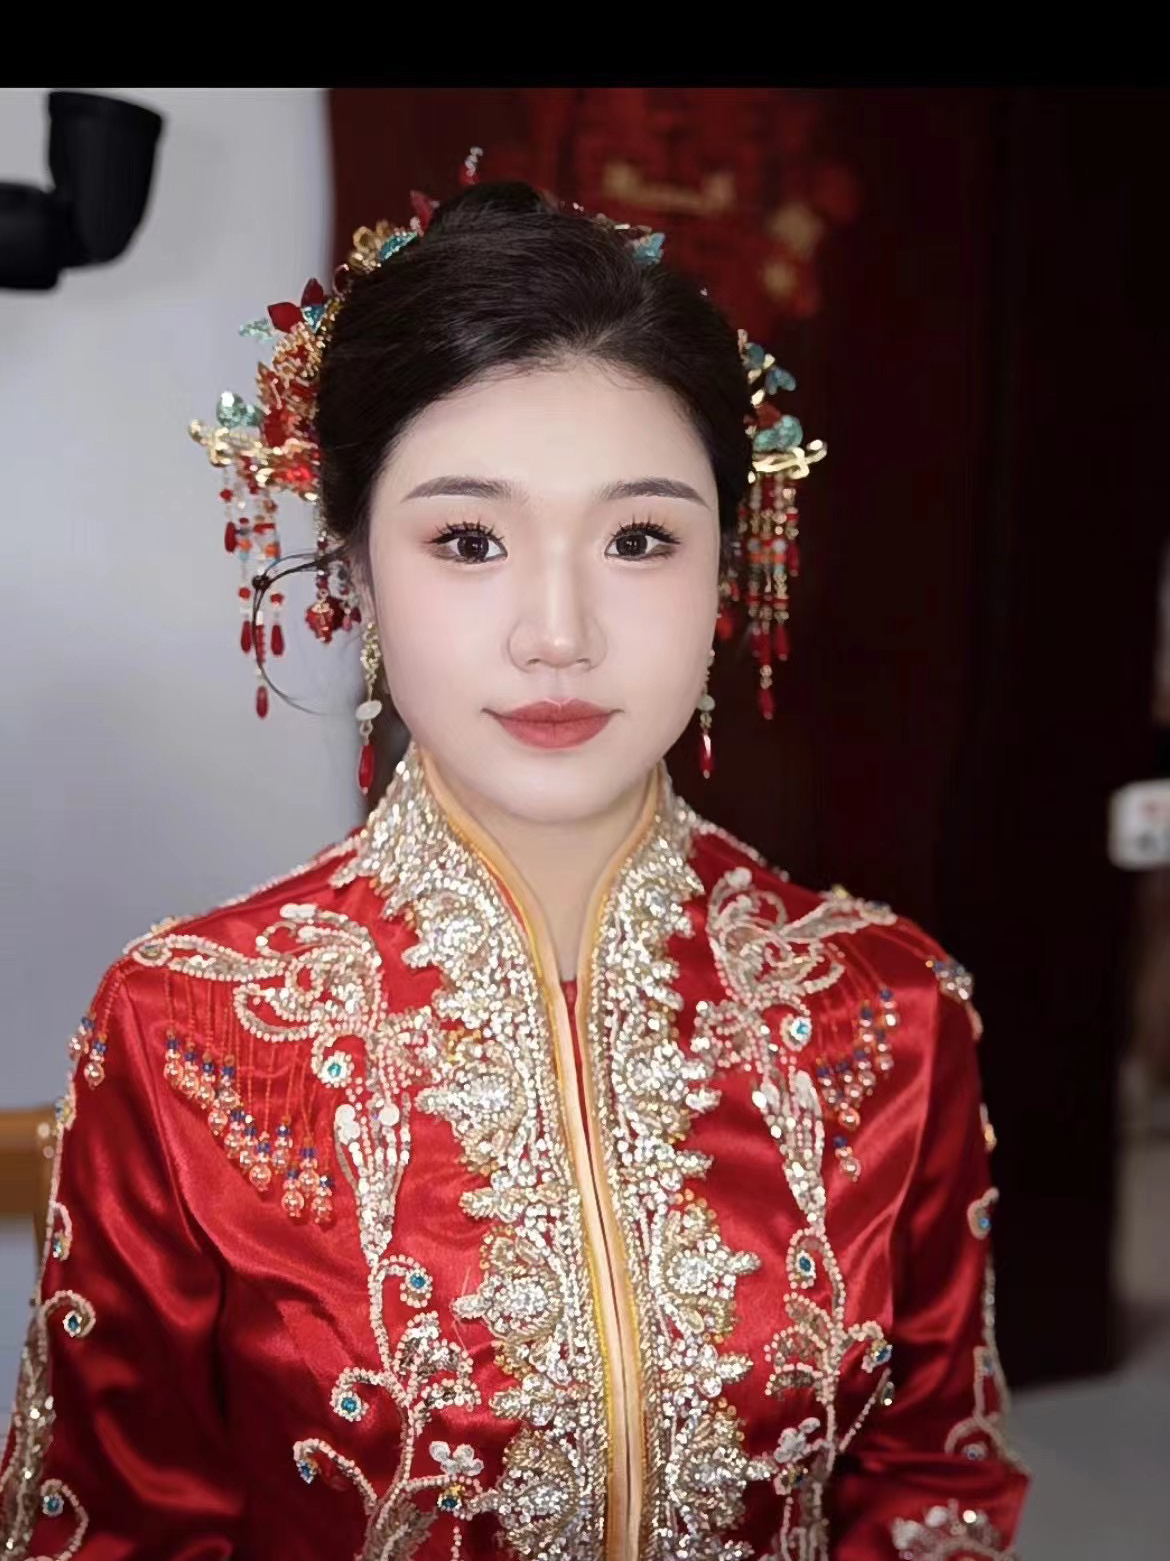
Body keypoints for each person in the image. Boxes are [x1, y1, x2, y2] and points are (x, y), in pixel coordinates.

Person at [0, 169, 1029, 1560]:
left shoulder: (887, 1007)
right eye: (469, 540)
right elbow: (109, 1529)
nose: (558, 632)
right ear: (354, 570)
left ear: (731, 569)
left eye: (640, 539)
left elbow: (928, 1485)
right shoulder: (189, 1029)